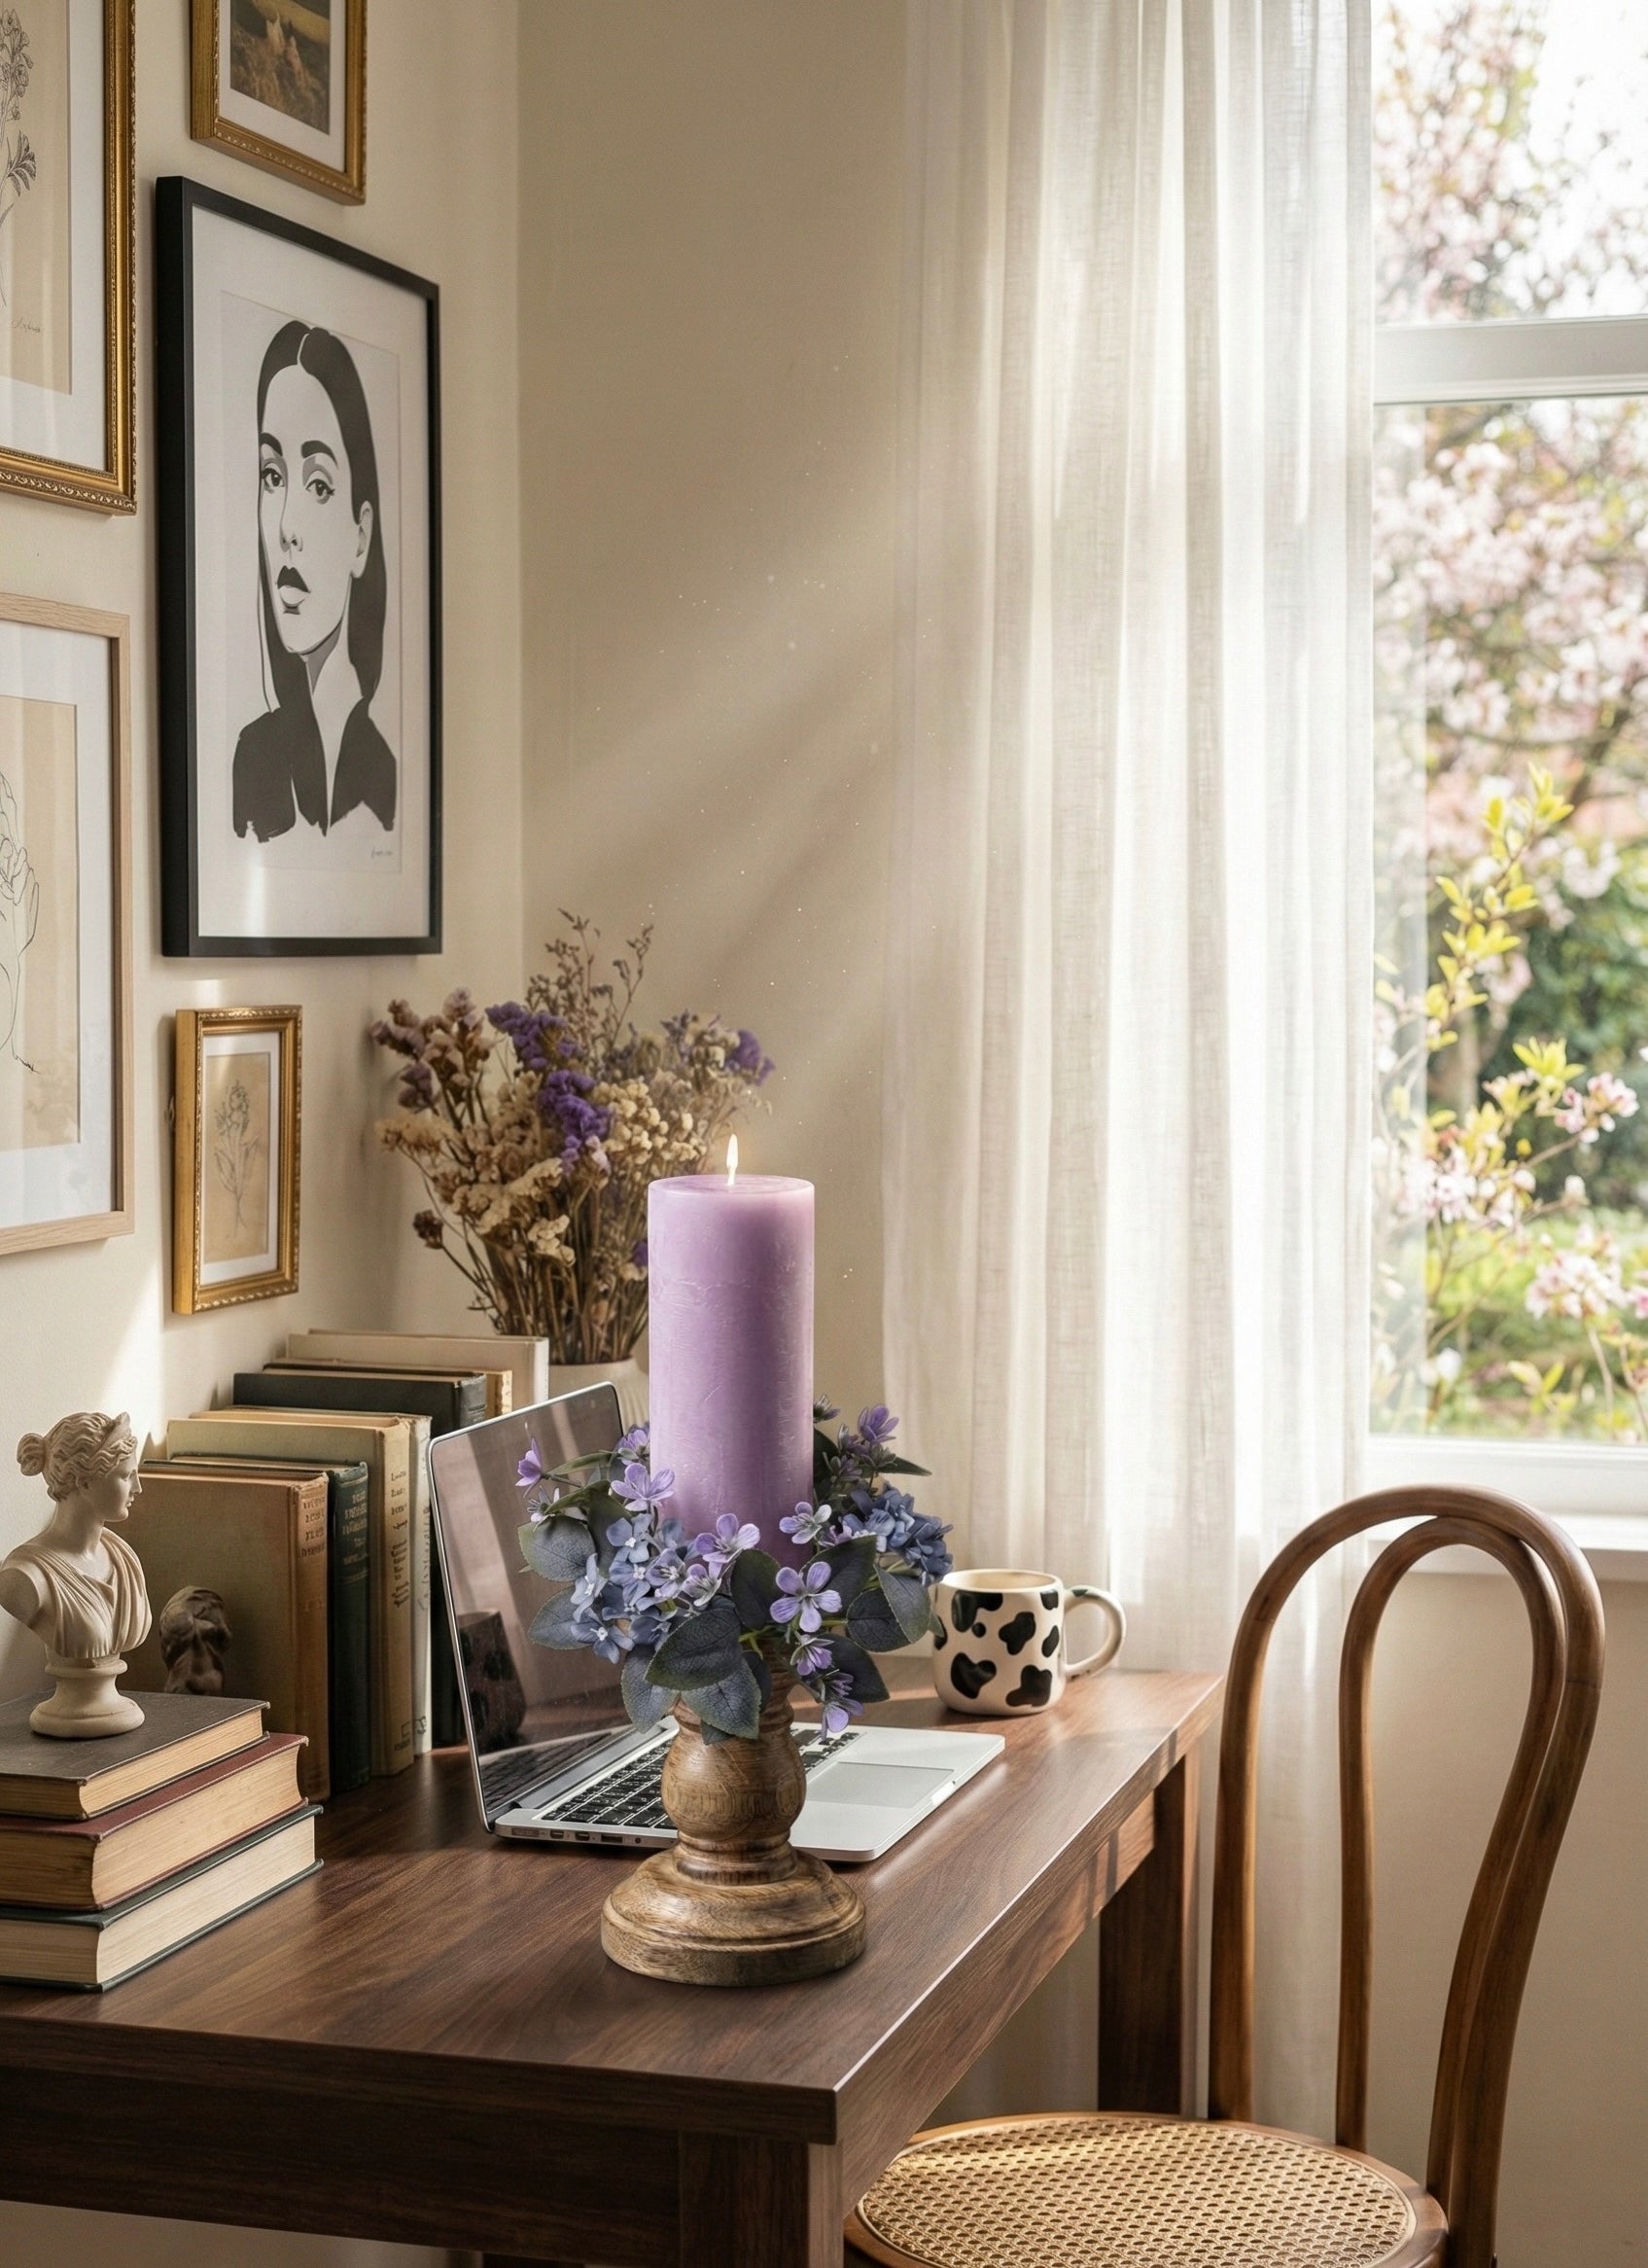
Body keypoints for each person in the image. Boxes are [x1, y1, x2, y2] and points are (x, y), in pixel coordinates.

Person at [232, 321, 396, 845]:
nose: (286, 527)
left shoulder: (385, 777)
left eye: (319, 485)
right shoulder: (255, 755)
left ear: (360, 538)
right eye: (273, 477)